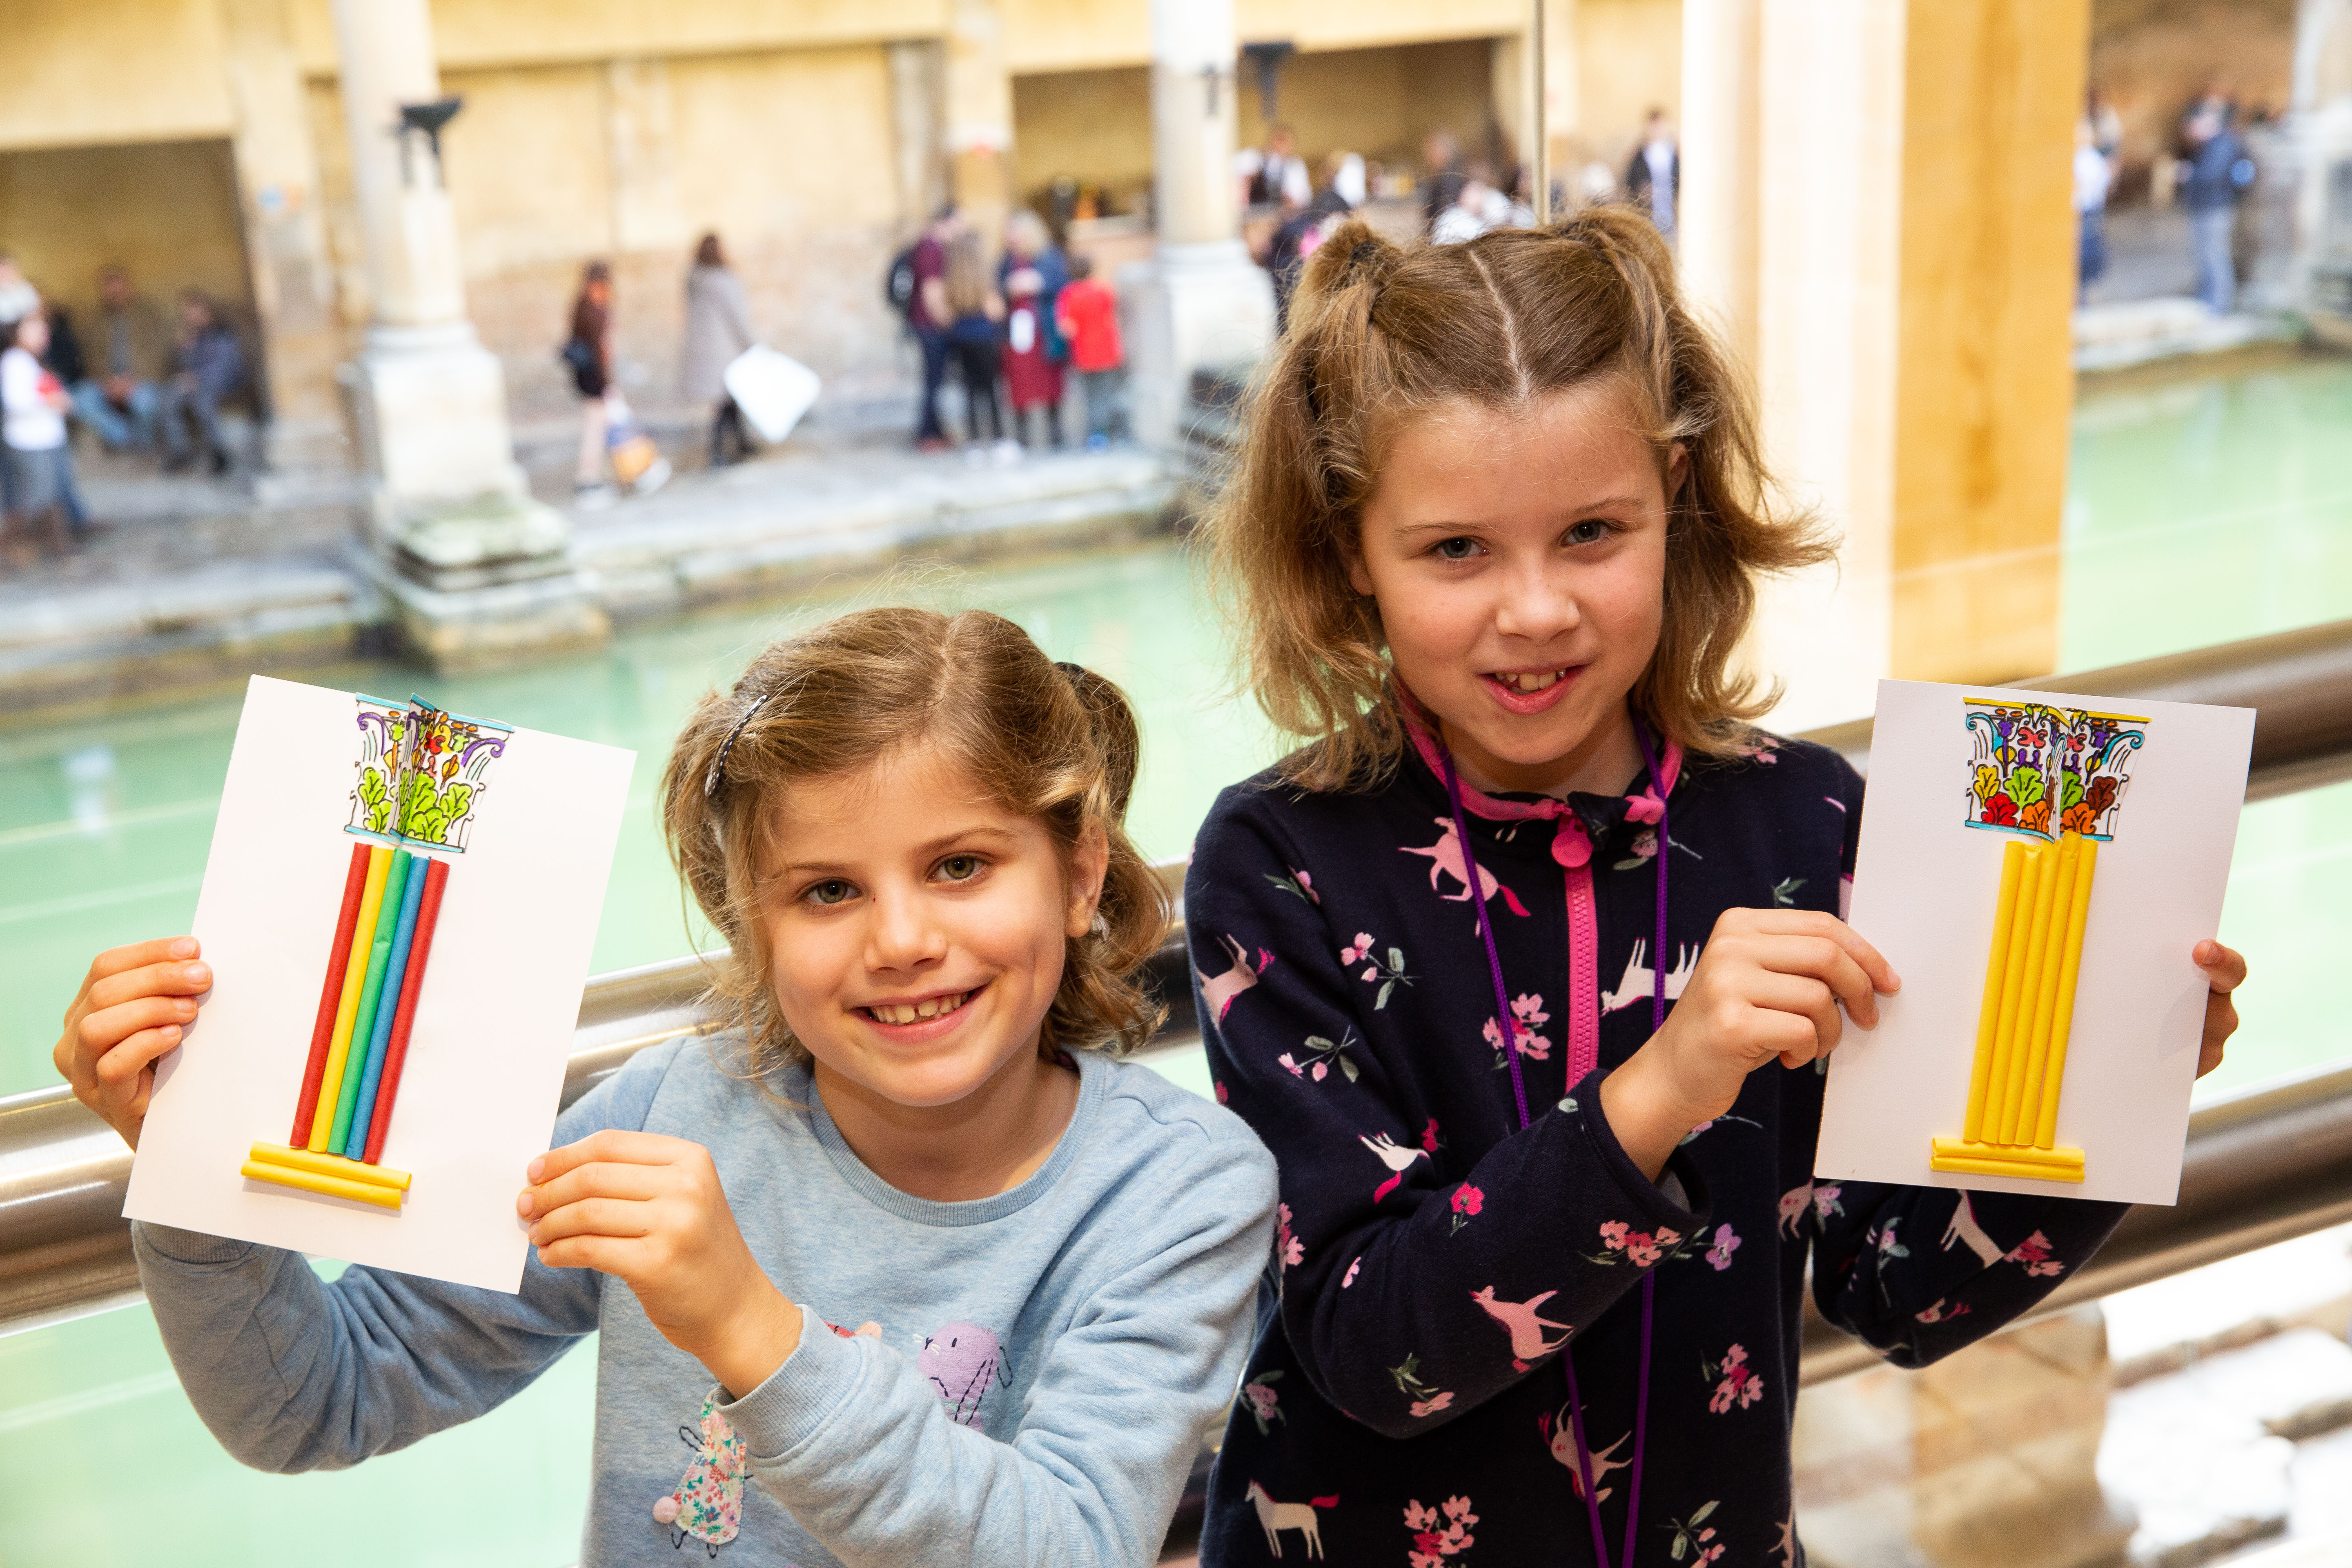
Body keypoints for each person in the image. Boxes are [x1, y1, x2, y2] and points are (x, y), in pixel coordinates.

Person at [1187, 212, 2252, 1564]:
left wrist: (2106, 1084)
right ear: (1352, 549)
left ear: (1676, 497)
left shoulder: (1807, 819)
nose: (1535, 610)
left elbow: (1895, 1293)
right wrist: (1662, 1087)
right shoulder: (1281, 865)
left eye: (1591, 532)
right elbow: (1373, 1339)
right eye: (1455, 550)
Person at [53, 607, 1278, 1567]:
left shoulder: (1182, 1187)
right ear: (750, 922)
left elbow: (1069, 1543)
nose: (901, 937)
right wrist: (196, 1164)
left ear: (1079, 875)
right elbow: (315, 1402)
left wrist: (750, 1325)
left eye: (960, 865)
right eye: (826, 889)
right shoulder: (667, 1111)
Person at [3, 310, 89, 551]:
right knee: (37, 495)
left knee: (53, 490)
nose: (42, 336)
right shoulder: (14, 361)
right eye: (35, 331)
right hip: (28, 440)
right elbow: (15, 402)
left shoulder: (36, 361)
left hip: (47, 437)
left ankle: (58, 543)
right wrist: (51, 401)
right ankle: (17, 546)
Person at [70, 266, 169, 451]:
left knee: (144, 403)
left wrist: (131, 382)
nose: (116, 294)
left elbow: (159, 354)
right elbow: (90, 356)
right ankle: (123, 437)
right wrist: (108, 382)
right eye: (111, 290)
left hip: (142, 381)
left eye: (119, 289)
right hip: (106, 382)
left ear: (129, 288)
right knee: (80, 399)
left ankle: (144, 446)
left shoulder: (148, 316)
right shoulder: (96, 320)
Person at [681, 233, 756, 468]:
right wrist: (752, 344)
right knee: (723, 402)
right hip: (724, 350)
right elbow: (738, 318)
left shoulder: (695, 280)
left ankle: (742, 444)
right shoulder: (722, 280)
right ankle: (717, 454)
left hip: (705, 350)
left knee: (730, 399)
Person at [999, 210, 1070, 450]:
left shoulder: (1049, 256)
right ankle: (1023, 437)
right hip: (1018, 334)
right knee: (1019, 383)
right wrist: (1008, 289)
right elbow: (997, 288)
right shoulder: (1006, 261)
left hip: (1044, 331)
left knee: (1051, 382)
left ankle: (1055, 433)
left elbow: (1062, 284)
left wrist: (1038, 283)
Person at [157, 290, 246, 476]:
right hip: (195, 382)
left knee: (202, 403)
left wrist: (197, 380)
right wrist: (184, 350)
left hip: (224, 382)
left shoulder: (222, 332)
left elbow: (225, 367)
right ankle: (181, 451)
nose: (188, 316)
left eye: (192, 311)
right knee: (167, 399)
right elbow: (184, 366)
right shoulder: (191, 334)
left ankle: (218, 453)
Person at [941, 229, 1011, 462]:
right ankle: (999, 440)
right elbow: (996, 311)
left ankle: (974, 445)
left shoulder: (952, 280)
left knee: (971, 392)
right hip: (985, 339)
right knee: (991, 391)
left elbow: (947, 313)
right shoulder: (984, 280)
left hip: (962, 340)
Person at [2180, 104, 2253, 313]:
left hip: (2216, 208)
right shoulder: (2211, 145)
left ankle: (2218, 304)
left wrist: (2190, 175)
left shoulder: (2222, 145)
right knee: (2206, 254)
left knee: (2215, 255)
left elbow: (2212, 176)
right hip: (2209, 207)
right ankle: (2208, 299)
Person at [1055, 254, 1126, 448]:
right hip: (1107, 351)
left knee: (1090, 397)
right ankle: (1111, 432)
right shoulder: (1103, 291)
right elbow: (1113, 315)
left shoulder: (1068, 295)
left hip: (1084, 354)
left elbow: (1066, 329)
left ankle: (1097, 436)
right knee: (1107, 394)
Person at [906, 206, 961, 453]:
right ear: (946, 222)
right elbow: (932, 291)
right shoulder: (931, 249)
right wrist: (948, 320)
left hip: (927, 324)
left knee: (935, 380)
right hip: (931, 325)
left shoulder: (929, 247)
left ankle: (935, 429)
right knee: (933, 381)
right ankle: (928, 433)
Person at [563, 261, 616, 501]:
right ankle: (588, 477)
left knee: (596, 424)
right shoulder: (594, 307)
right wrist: (608, 383)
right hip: (594, 376)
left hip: (586, 375)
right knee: (596, 426)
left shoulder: (582, 304)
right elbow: (600, 349)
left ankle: (593, 474)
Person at [1624, 108, 1680, 237]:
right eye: (1654, 126)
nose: (1657, 129)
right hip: (1647, 216)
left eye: (1660, 125)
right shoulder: (1639, 155)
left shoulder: (1675, 153)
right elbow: (1629, 184)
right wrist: (1643, 189)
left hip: (1673, 216)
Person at [2075, 118, 2112, 306]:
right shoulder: (2090, 158)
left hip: (2084, 211)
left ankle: (2083, 298)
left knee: (2083, 253)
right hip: (2089, 210)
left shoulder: (2086, 159)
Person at [1418, 130, 1468, 238]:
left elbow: (1445, 216)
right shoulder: (1440, 177)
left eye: (1432, 151)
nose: (1428, 157)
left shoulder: (1452, 180)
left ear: (1445, 152)